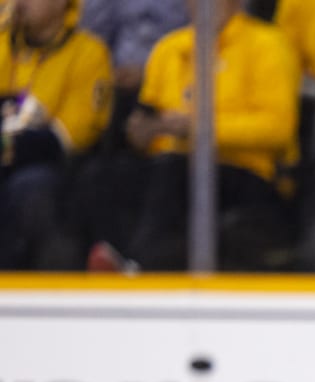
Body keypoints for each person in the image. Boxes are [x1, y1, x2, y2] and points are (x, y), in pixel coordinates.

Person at [123, 0, 299, 268]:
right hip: (173, 167)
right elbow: (149, 118)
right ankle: (109, 266)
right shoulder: (168, 48)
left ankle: (141, 268)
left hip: (246, 173)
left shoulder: (267, 44)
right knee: (103, 177)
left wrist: (198, 129)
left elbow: (278, 129)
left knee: (173, 173)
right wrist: (142, 133)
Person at [1, 0, 112, 268]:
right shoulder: (4, 43)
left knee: (31, 186)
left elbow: (70, 136)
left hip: (56, 168)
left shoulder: (89, 52)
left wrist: (9, 146)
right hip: (12, 154)